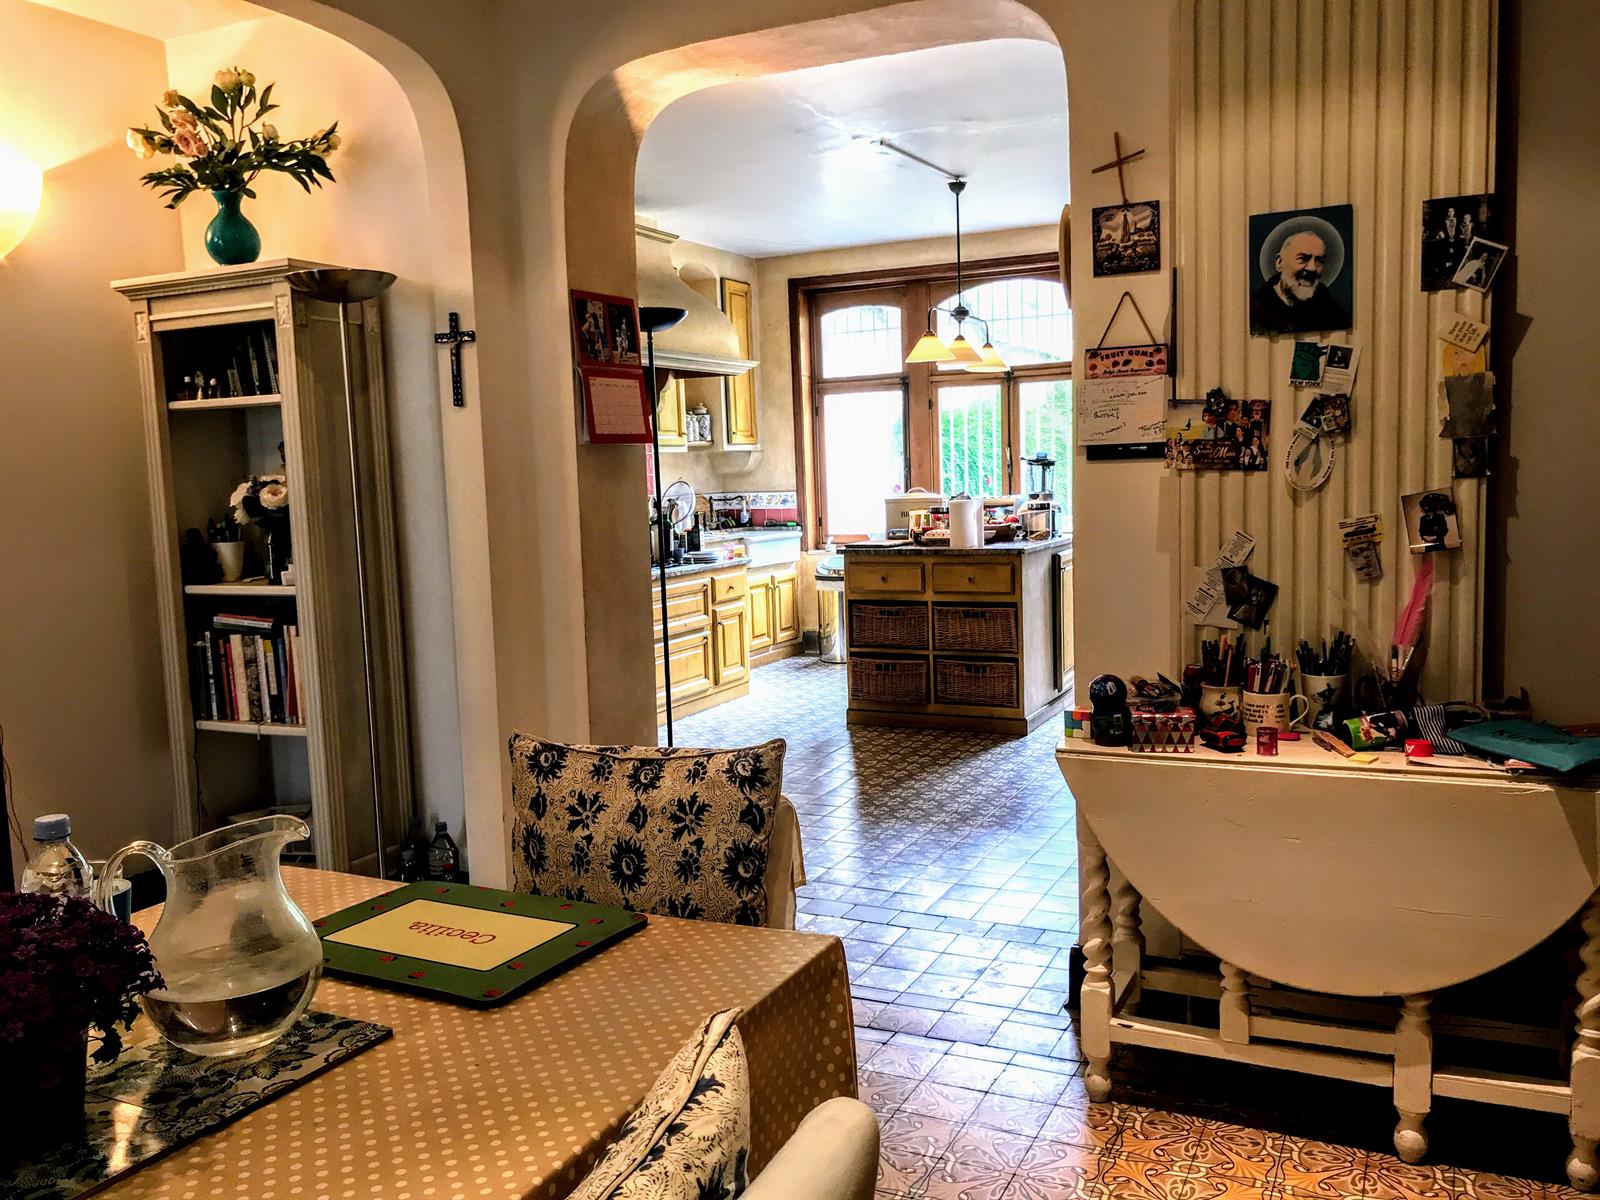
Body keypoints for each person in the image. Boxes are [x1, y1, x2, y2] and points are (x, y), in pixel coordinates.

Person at [1250, 229, 1351, 334]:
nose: (1312, 268)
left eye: (1319, 260)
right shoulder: (1254, 308)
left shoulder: (1332, 311)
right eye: (1303, 258)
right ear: (1280, 262)